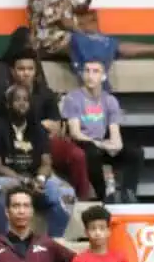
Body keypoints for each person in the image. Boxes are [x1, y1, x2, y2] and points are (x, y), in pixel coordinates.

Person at [0, 48, 92, 199]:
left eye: (30, 69)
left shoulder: (46, 94)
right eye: (21, 69)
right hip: (17, 145)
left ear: (36, 71)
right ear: (12, 71)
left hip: (46, 142)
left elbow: (56, 126)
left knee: (77, 155)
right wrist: (41, 125)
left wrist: (42, 128)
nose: (26, 73)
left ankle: (83, 200)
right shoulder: (4, 97)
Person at [0, 84, 75, 240]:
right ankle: (7, 242)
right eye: (17, 100)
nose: (22, 103)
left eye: (25, 100)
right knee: (10, 188)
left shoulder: (37, 129)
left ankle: (53, 241)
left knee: (67, 194)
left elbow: (46, 162)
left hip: (32, 179)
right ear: (8, 104)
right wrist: (24, 181)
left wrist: (40, 179)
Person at [62, 61, 145, 202]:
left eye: (95, 71)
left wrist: (115, 146)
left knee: (136, 152)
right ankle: (103, 195)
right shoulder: (73, 98)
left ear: (103, 76)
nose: (90, 75)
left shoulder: (110, 100)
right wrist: (101, 144)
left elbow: (115, 134)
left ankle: (128, 193)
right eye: (87, 71)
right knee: (92, 152)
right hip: (82, 143)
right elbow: (75, 133)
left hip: (101, 143)